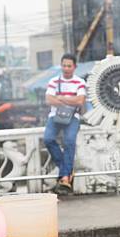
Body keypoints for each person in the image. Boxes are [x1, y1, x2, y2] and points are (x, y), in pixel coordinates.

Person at [44, 53, 86, 195]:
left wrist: (61, 98)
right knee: (48, 139)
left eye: (69, 66)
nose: (66, 68)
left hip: (72, 117)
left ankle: (65, 177)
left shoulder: (80, 82)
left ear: (74, 67)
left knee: (69, 141)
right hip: (55, 116)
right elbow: (49, 100)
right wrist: (70, 99)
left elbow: (80, 101)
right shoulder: (53, 81)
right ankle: (66, 170)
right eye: (64, 65)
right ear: (61, 66)